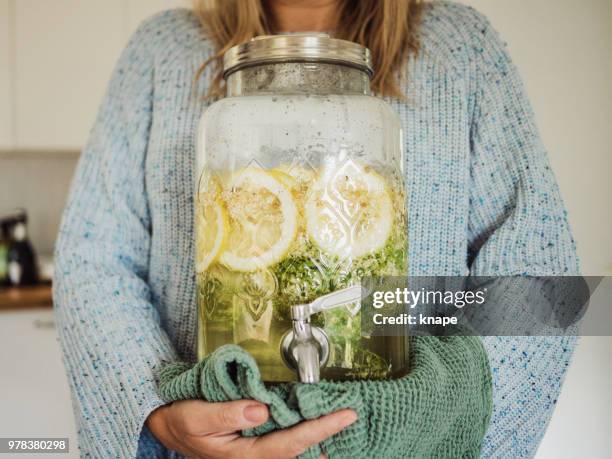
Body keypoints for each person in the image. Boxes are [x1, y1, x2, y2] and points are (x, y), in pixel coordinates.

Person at [53, 0, 579, 457]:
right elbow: (93, 258)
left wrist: (426, 413)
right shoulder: (160, 48)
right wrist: (159, 414)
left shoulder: (462, 46)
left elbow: (541, 282)